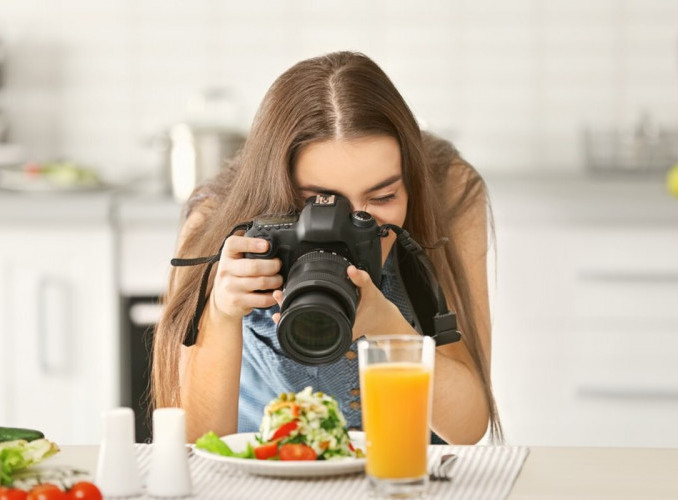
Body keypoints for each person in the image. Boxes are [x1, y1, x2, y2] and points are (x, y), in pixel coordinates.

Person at [151, 51, 501, 445]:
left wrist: (389, 328)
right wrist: (221, 312)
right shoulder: (216, 220)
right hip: (267, 471)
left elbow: (469, 428)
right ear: (277, 192)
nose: (352, 224)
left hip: (406, 472)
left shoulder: (447, 193)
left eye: (383, 196)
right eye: (320, 202)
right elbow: (200, 449)